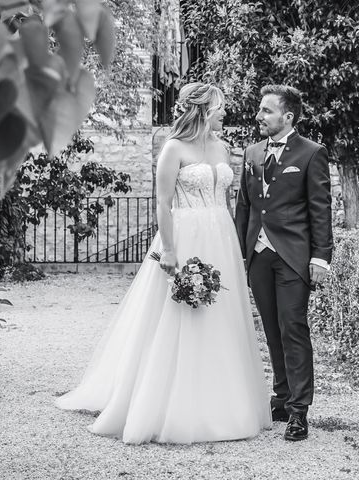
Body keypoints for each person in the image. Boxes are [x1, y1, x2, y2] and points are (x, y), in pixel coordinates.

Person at [56, 82, 271, 444]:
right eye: (219, 107)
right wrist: (169, 250)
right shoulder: (173, 148)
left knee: (223, 314)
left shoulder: (223, 147)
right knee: (181, 313)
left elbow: (230, 198)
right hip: (186, 233)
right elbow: (163, 203)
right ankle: (170, 400)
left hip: (221, 234)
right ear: (202, 110)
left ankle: (224, 397)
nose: (224, 112)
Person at [235, 85, 333, 442]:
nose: (259, 116)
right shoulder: (252, 152)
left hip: (292, 256)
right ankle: (281, 395)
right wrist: (238, 252)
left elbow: (320, 209)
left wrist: (321, 256)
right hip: (259, 257)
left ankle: (299, 411)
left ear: (287, 117)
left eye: (266, 111)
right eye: (260, 110)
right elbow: (245, 207)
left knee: (293, 328)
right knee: (271, 330)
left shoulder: (312, 153)